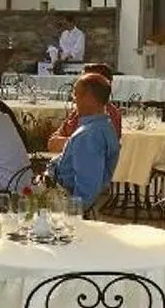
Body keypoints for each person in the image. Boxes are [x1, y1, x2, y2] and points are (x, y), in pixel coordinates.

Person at [52, 76, 123, 212]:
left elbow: (86, 190)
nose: (74, 99)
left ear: (89, 97)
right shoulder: (104, 126)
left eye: (76, 94)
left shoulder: (89, 135)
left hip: (64, 203)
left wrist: (72, 218)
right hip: (69, 195)